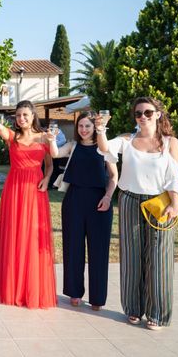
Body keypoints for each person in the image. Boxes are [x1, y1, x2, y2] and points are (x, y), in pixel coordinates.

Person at [96, 97, 178, 329]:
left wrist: (174, 204)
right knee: (131, 256)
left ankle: (158, 314)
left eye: (147, 112)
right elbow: (104, 148)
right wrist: (100, 128)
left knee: (159, 258)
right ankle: (133, 308)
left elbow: (173, 177)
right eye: (138, 113)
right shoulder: (127, 139)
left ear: (157, 114)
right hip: (130, 201)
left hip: (160, 203)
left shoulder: (170, 143)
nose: (142, 117)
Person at [0, 100, 57, 309]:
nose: (21, 118)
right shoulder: (13, 137)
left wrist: (47, 178)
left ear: (33, 116)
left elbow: (51, 165)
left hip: (35, 190)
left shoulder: (44, 137)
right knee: (15, 236)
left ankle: (31, 289)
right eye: (18, 115)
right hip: (14, 190)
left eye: (25, 115)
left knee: (32, 237)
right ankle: (13, 287)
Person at [48, 112, 118, 310]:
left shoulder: (104, 147)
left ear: (95, 127)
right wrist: (52, 140)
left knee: (99, 251)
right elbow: (55, 154)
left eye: (88, 126)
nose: (84, 130)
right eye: (81, 126)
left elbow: (114, 176)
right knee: (73, 247)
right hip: (74, 200)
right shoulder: (73, 145)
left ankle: (97, 298)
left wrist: (107, 197)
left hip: (100, 203)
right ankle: (74, 292)